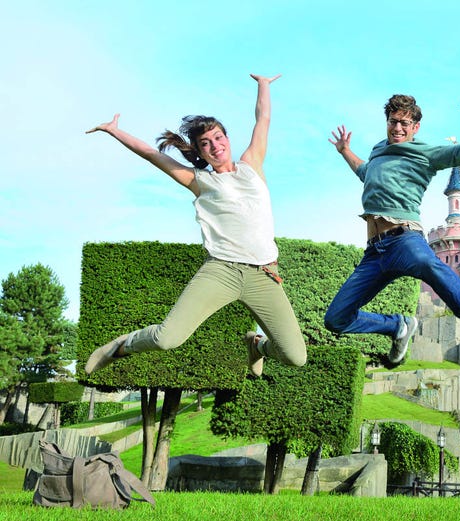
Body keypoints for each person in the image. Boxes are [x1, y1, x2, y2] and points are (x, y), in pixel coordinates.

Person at [84, 74, 306, 378]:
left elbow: (262, 118)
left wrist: (263, 85)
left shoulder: (251, 163)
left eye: (218, 138)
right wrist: (115, 131)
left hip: (264, 274)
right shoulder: (199, 180)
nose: (215, 146)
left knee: (295, 357)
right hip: (222, 271)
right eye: (206, 144)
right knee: (166, 339)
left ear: (227, 139)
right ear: (200, 153)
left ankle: (257, 345)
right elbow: (152, 155)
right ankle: (120, 347)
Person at [324, 74, 460, 372]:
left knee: (436, 269)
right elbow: (366, 173)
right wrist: (345, 152)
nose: (397, 128)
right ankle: (397, 326)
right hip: (374, 252)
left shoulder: (423, 153)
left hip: (405, 240)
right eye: (393, 121)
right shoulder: (378, 151)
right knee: (336, 318)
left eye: (404, 124)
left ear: (415, 127)